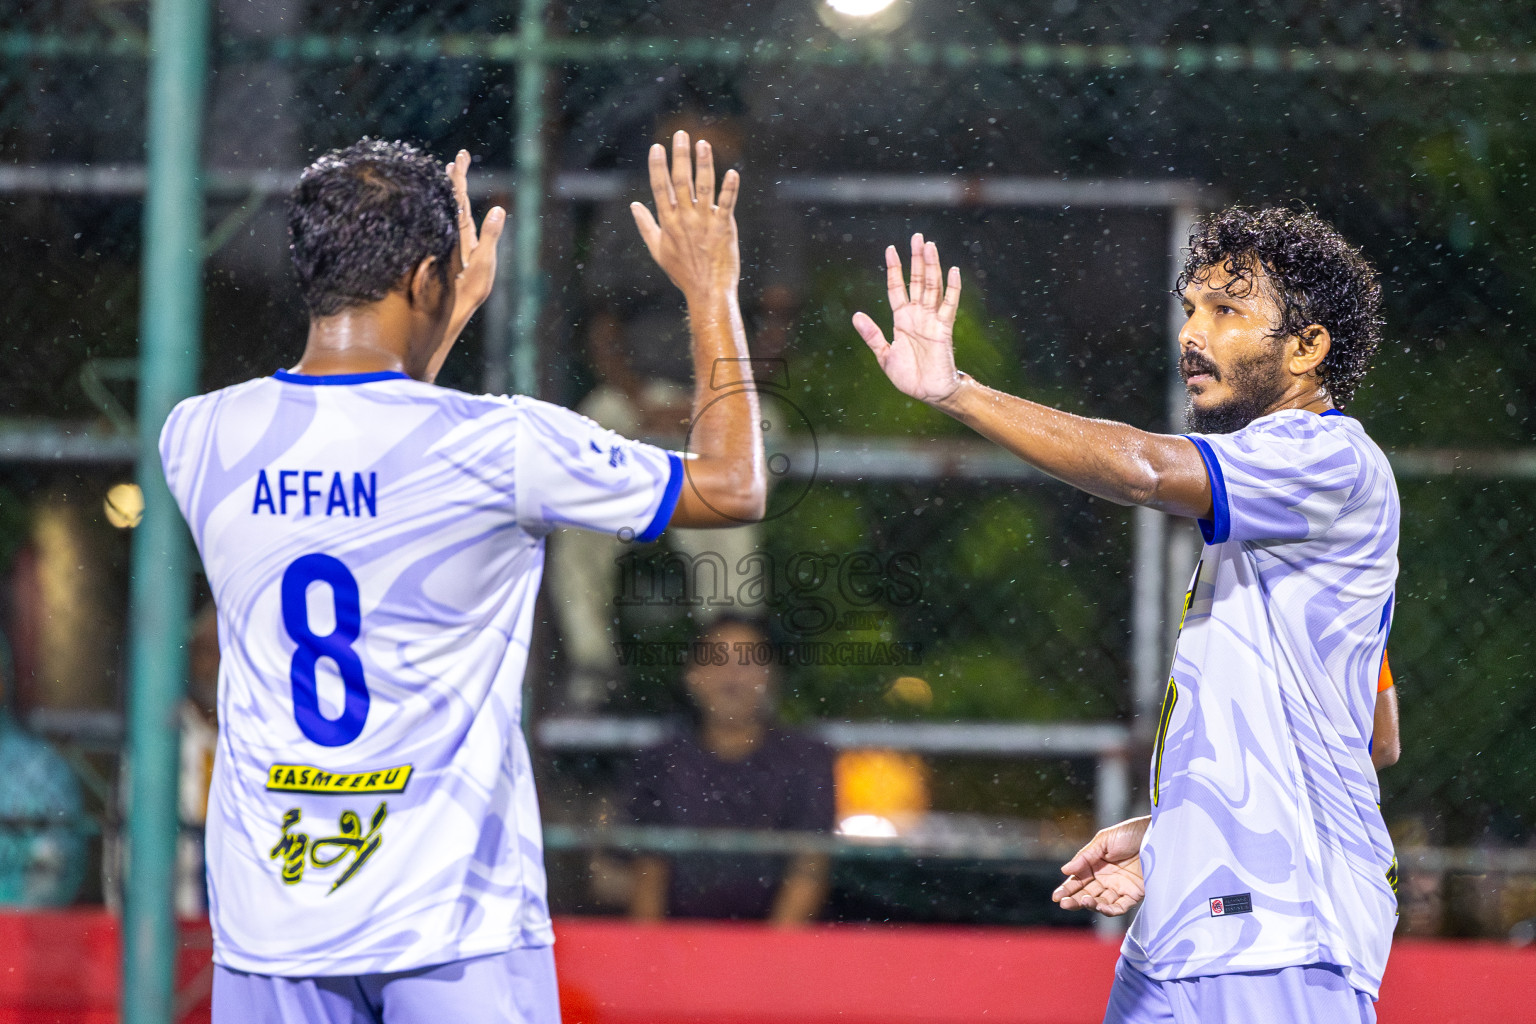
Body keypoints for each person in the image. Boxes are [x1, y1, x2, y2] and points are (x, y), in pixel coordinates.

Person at [159, 132, 765, 1023]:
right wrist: (711, 290)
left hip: (272, 919)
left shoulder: (199, 437)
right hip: (451, 924)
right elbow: (736, 483)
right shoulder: (500, 445)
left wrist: (429, 322)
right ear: (425, 278)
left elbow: (355, 467)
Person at [852, 208, 1397, 1022]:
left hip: (1277, 926)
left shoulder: (1325, 457)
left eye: (1227, 311)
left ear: (1308, 348)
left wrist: (957, 391)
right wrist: (1177, 826)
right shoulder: (1277, 500)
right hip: (1189, 924)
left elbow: (1143, 469)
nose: (1192, 332)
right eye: (1191, 308)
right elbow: (1374, 733)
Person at [625, 614, 834, 925]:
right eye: (717, 661)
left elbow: (810, 864)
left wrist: (770, 962)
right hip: (680, 947)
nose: (733, 677)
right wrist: (652, 960)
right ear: (692, 675)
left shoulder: (806, 759)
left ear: (771, 676)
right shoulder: (662, 760)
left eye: (748, 662)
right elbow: (649, 867)